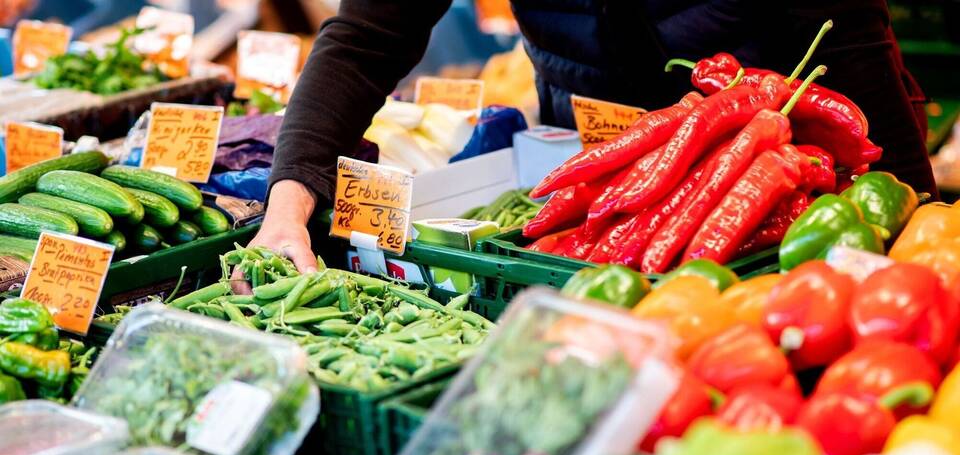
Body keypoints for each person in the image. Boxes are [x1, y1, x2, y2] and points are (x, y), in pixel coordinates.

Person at [243, 0, 934, 279]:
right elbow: (367, 39)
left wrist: (916, 217)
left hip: (775, 165)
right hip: (589, 154)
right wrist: (287, 210)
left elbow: (853, 43)